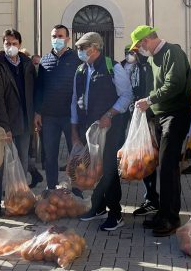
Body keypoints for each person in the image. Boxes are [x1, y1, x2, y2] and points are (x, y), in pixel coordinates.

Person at [131, 25, 191, 237]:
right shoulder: (151, 59)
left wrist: (149, 101)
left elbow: (174, 84)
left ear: (148, 40)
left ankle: (171, 218)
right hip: (158, 116)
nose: (139, 49)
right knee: (163, 166)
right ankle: (163, 213)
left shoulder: (172, 52)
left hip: (175, 114)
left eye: (140, 44)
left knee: (168, 166)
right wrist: (147, 112)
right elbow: (150, 87)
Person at [72, 32, 133, 231]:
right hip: (88, 128)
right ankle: (98, 207)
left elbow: (126, 96)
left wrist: (110, 114)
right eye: (79, 48)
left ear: (95, 48)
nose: (80, 52)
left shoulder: (113, 67)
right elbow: (75, 100)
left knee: (108, 169)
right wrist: (74, 130)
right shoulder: (81, 70)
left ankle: (115, 213)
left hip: (110, 127)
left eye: (83, 48)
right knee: (94, 169)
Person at [0, 29, 36, 217]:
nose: (10, 46)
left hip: (25, 122)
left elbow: (33, 92)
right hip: (5, 124)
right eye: (7, 43)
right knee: (0, 165)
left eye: (14, 43)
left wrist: (34, 117)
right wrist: (4, 127)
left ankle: (19, 201)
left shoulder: (27, 64)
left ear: (20, 43)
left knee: (22, 163)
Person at [34, 25, 81, 190]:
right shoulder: (45, 60)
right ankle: (51, 188)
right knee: (50, 156)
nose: (57, 39)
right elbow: (39, 88)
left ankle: (76, 188)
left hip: (70, 117)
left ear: (68, 39)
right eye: (54, 36)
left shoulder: (76, 59)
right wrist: (37, 112)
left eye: (60, 36)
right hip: (49, 117)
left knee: (74, 154)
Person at [121, 44, 160, 217]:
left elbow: (148, 88)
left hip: (146, 116)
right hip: (130, 115)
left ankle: (152, 198)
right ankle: (151, 197)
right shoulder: (124, 66)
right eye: (129, 52)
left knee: (148, 155)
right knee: (138, 155)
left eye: (135, 52)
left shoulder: (146, 66)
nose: (131, 55)